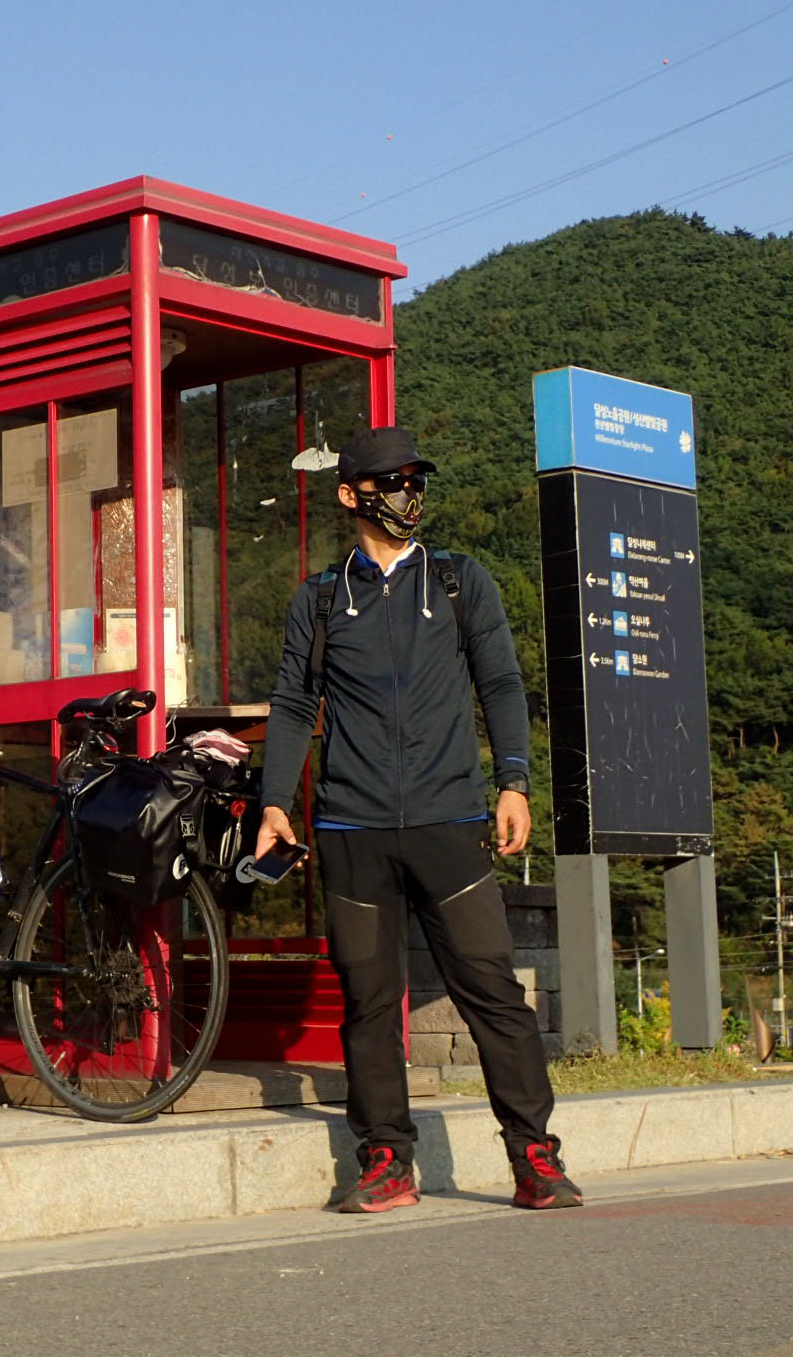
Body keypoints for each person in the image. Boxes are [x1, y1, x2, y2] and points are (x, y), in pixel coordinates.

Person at [254, 425, 582, 1212]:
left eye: (415, 480)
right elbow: (295, 705)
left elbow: (500, 684)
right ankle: (385, 1161)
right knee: (369, 1006)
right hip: (351, 832)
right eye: (392, 482)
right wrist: (273, 801)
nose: (409, 494)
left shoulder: (461, 582)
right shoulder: (320, 599)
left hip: (450, 823)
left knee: (492, 994)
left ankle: (534, 1157)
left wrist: (513, 782)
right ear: (351, 494)